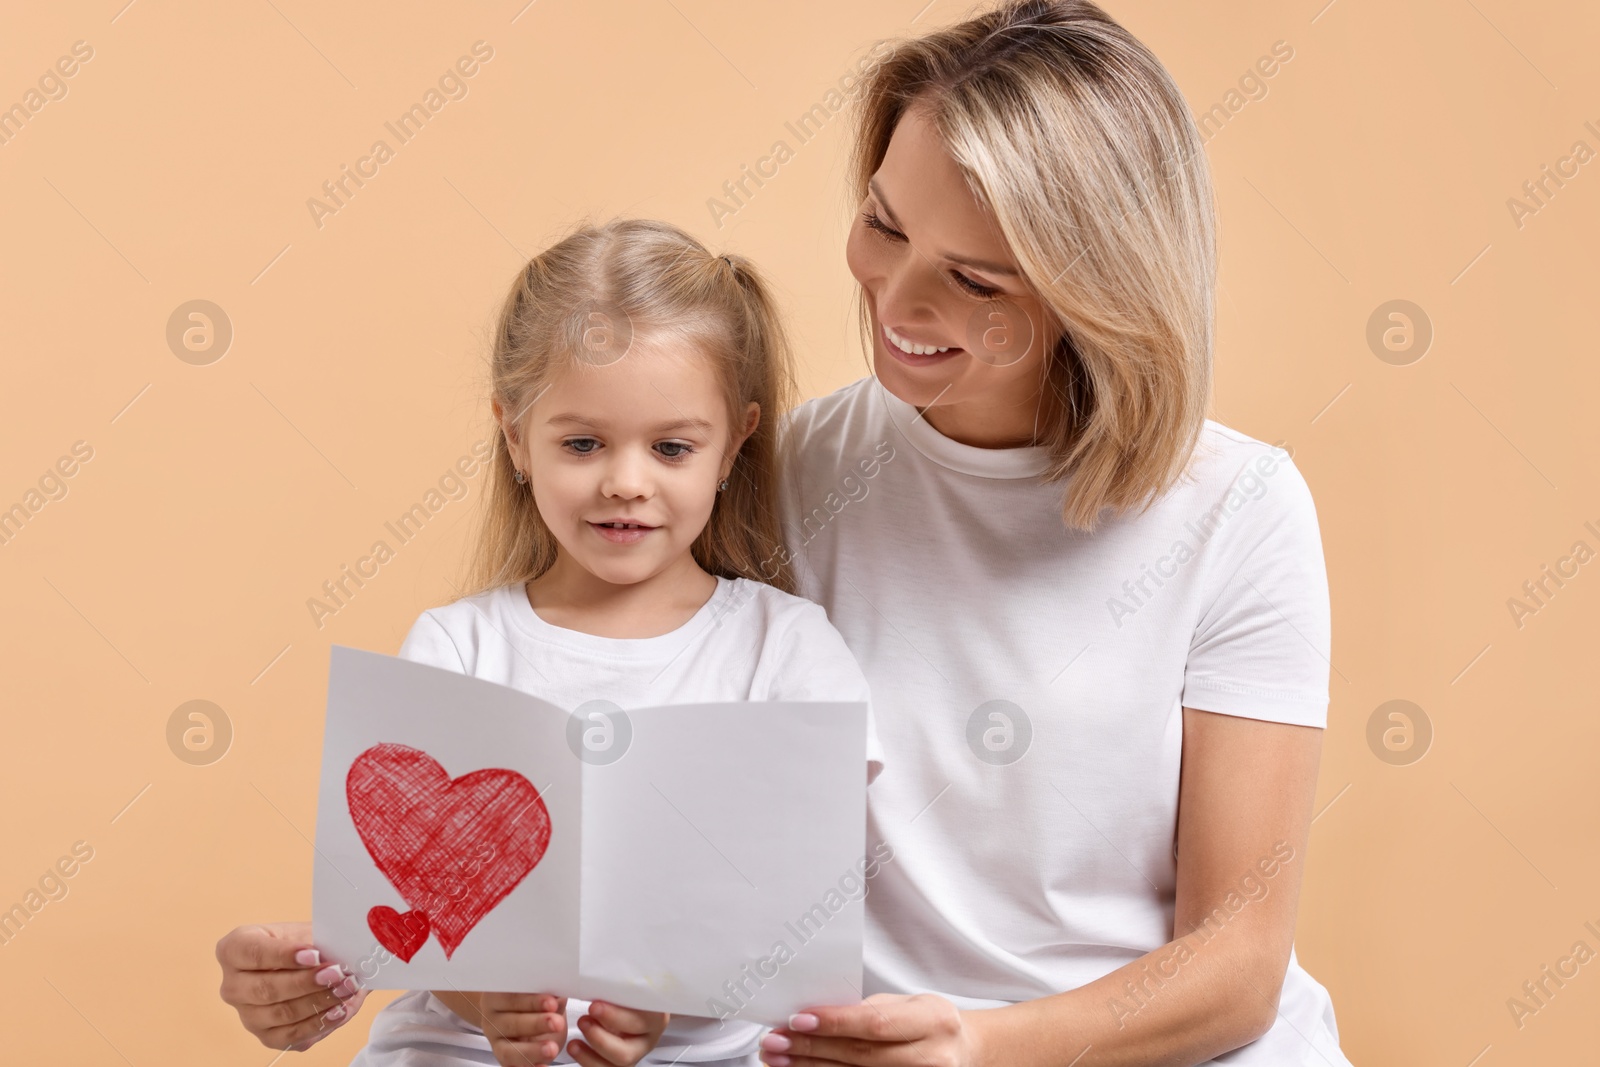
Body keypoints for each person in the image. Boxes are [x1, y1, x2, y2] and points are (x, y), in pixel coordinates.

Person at [223, 1, 1356, 1063]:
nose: (896, 305)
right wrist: (385, 963)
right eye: (881, 224)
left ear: (1097, 290)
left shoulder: (1238, 509)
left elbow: (1238, 962)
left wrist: (974, 1042)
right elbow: (609, 775)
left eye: (969, 280)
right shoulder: (779, 470)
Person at [215, 218, 884, 1067]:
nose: (625, 481)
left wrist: (668, 1001)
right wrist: (489, 1001)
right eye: (582, 443)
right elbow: (413, 914)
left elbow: (801, 902)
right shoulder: (458, 647)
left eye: (672, 446)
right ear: (513, 436)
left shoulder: (784, 646)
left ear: (733, 444)